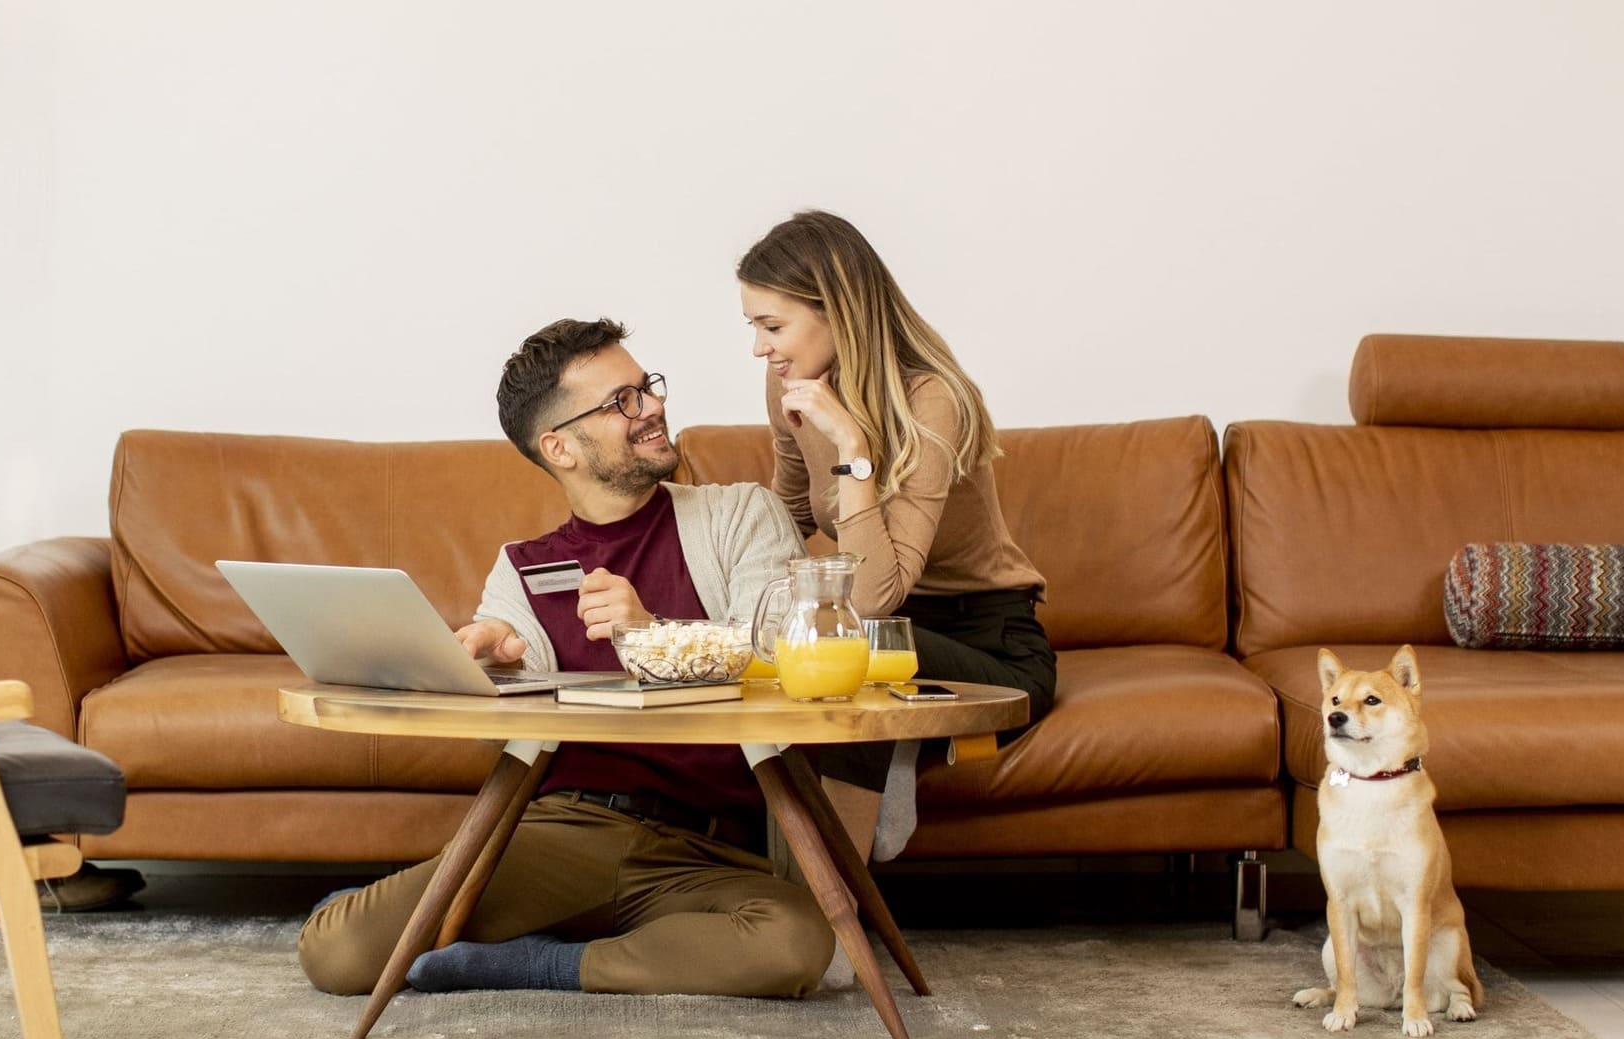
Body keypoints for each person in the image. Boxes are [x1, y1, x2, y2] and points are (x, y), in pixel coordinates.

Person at [297, 318, 837, 999]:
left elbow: (784, 656)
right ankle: (432, 913)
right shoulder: (521, 569)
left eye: (647, 389)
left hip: (707, 852)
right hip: (568, 831)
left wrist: (652, 631)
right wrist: (486, 668)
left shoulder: (739, 515)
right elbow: (512, 719)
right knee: (337, 954)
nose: (653, 408)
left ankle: (522, 962)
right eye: (622, 402)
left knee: (794, 946)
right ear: (559, 447)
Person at [738, 211, 1056, 860]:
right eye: (753, 328)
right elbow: (788, 515)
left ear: (838, 311)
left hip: (987, 645)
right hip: (881, 636)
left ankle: (828, 929)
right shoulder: (788, 391)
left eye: (772, 327)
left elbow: (880, 593)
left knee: (844, 655)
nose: (759, 349)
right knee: (774, 659)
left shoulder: (932, 397)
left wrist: (852, 446)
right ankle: (790, 901)